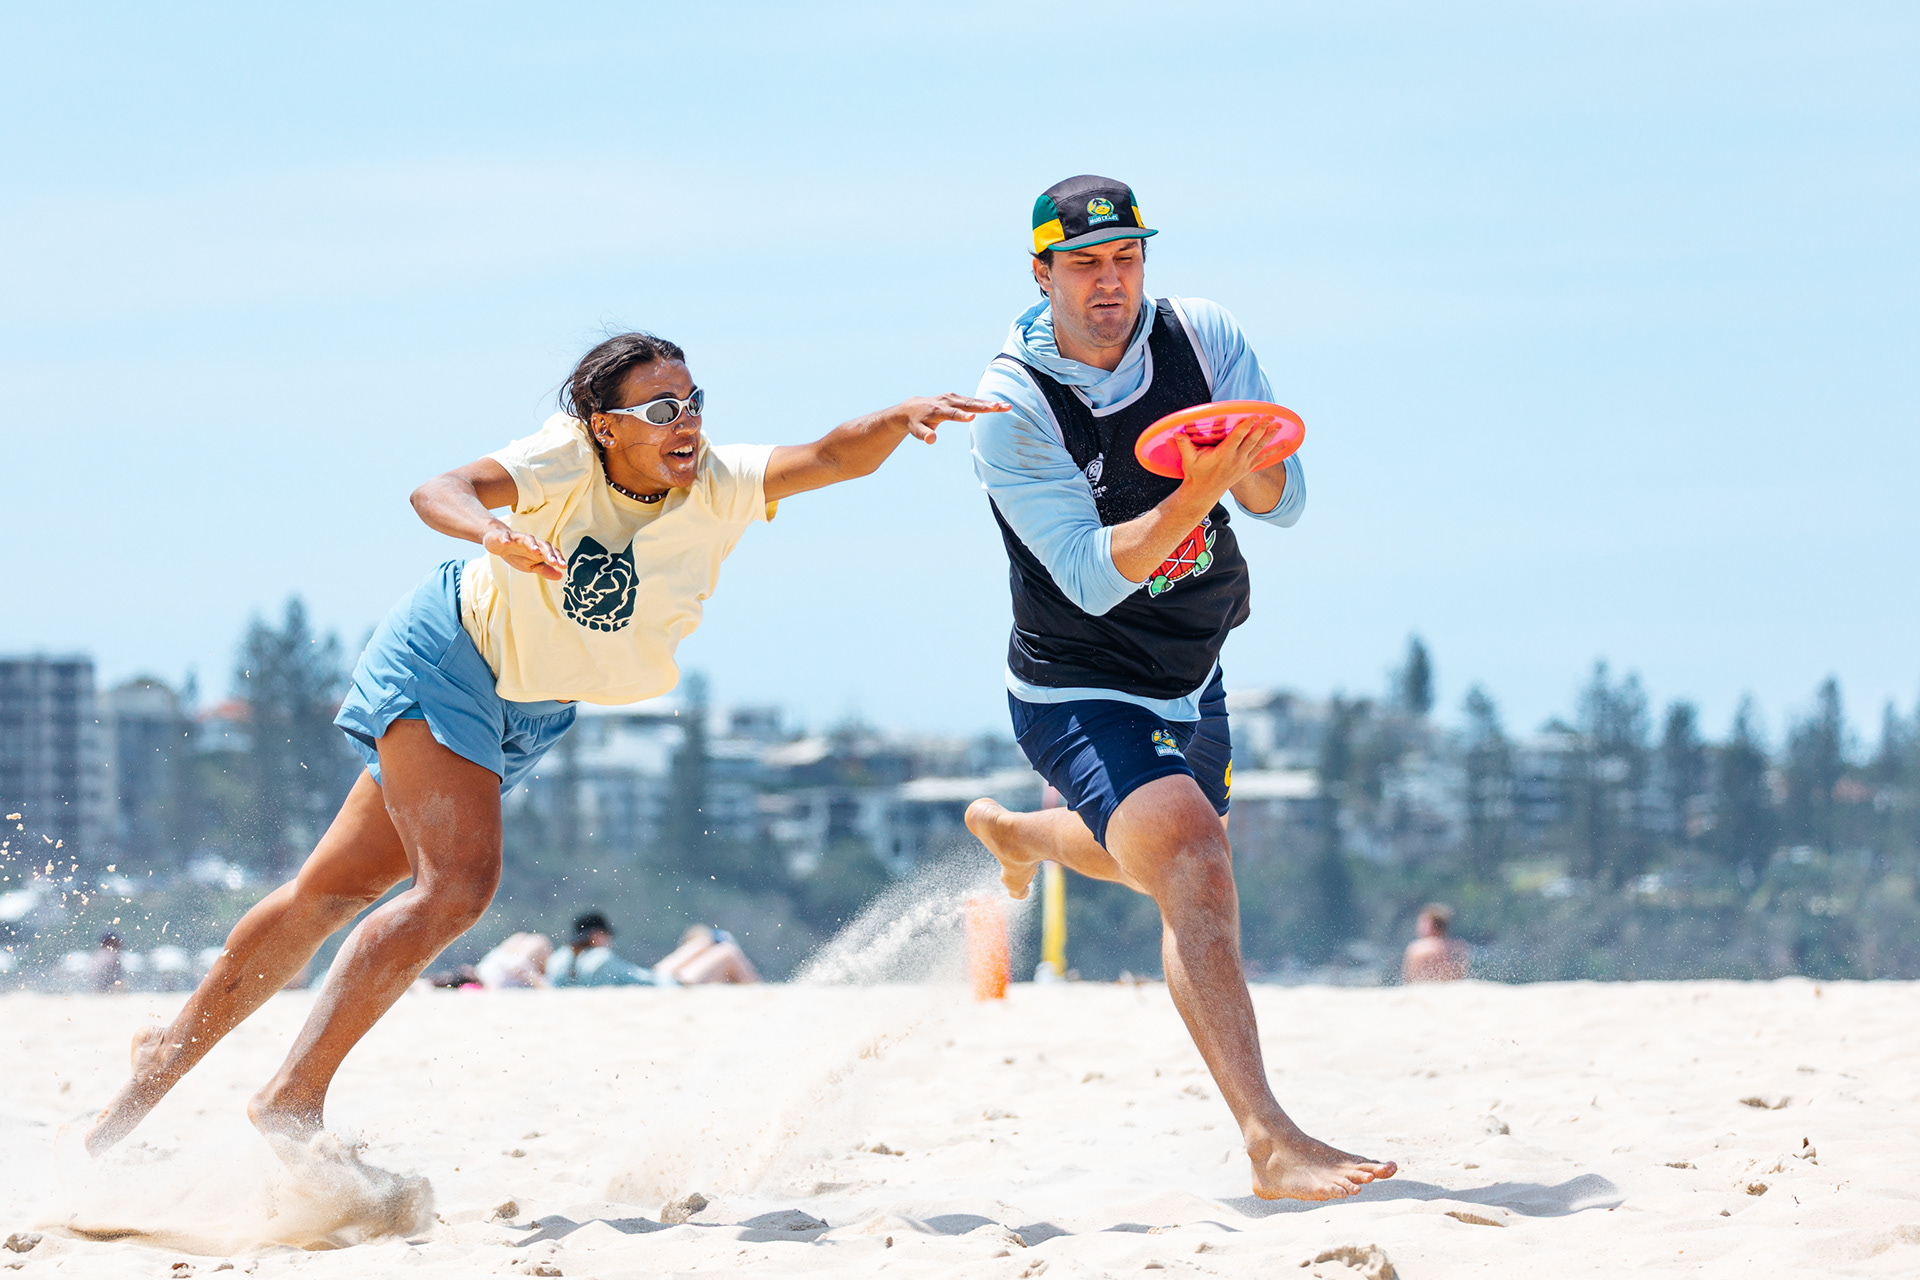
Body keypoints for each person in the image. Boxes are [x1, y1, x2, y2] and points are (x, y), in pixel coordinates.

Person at [85, 330, 1004, 1154]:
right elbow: (434, 489)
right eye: (657, 408)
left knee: (335, 889)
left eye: (691, 402)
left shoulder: (718, 482)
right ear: (604, 427)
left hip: (530, 707)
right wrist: (495, 529)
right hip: (449, 658)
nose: (683, 421)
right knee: (456, 889)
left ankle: (163, 1057)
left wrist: (897, 415)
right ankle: (292, 1096)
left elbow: (828, 456)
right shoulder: (562, 463)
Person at [963, 176, 1397, 1202]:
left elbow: (1284, 500)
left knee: (1170, 862)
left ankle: (1025, 836)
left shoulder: (1201, 339)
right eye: (1084, 264)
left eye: (1125, 259)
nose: (1110, 282)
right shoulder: (1012, 406)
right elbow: (1091, 575)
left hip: (1190, 670)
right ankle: (1269, 1138)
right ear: (1042, 272)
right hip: (1079, 682)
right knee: (1196, 854)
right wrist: (1192, 490)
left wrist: (1238, 463)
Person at [545, 911, 660, 987]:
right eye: (608, 935)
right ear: (596, 935)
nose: (610, 940)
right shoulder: (602, 959)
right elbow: (642, 979)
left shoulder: (557, 959)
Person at [653, 924, 760, 985]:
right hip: (676, 983)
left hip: (652, 977)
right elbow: (752, 985)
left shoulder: (665, 972)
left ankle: (701, 942)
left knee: (703, 943)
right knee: (728, 951)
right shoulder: (727, 953)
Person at [1401, 904, 1471, 983]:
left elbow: (1410, 978)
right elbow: (1460, 976)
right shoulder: (1459, 947)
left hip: (1425, 991)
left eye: (1422, 922)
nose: (1418, 926)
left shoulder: (1417, 948)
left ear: (1430, 925)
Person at [474, 931, 554, 990]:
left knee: (522, 937)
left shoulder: (485, 971)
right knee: (540, 942)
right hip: (501, 967)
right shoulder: (522, 965)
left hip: (491, 967)